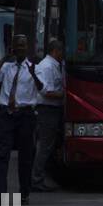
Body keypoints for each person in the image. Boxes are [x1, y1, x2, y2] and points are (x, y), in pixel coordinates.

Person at [0, 35, 42, 203]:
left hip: (25, 115)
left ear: (28, 48)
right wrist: (4, 58)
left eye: (23, 45)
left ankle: (24, 193)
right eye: (17, 46)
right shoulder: (7, 67)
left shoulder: (34, 68)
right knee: (2, 154)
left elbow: (43, 88)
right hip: (7, 115)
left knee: (25, 155)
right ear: (13, 48)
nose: (21, 48)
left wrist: (34, 75)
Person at [32, 38, 66, 192]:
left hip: (52, 110)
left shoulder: (54, 65)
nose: (62, 54)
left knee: (48, 145)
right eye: (61, 51)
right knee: (44, 146)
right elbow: (46, 91)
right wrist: (63, 95)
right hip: (47, 109)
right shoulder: (47, 67)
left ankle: (40, 178)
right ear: (55, 51)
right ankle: (36, 180)